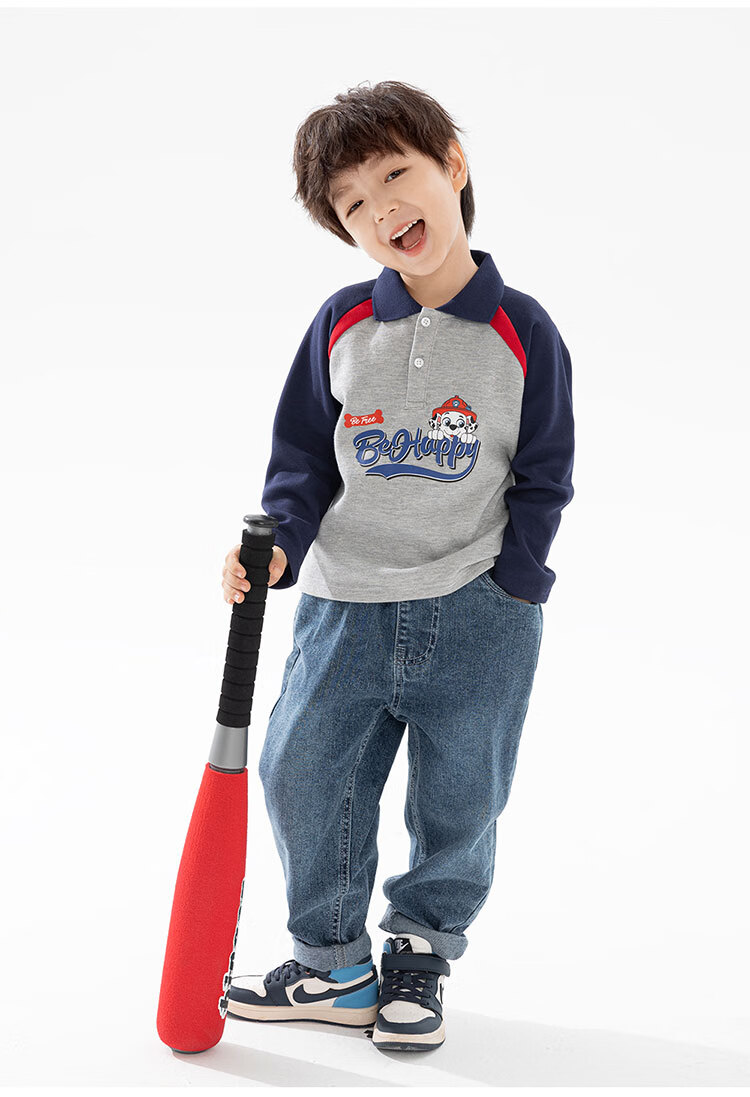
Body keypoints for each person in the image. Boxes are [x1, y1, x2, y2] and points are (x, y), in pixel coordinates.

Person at [220, 80, 575, 1052]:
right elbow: (301, 461)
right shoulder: (342, 323)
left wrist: (517, 581)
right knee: (304, 771)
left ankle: (419, 952)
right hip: (345, 604)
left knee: (460, 795)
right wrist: (280, 545)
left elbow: (544, 472)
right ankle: (333, 965)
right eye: (351, 204)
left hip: (477, 606)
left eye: (393, 175)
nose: (380, 209)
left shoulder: (522, 329)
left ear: (451, 166)